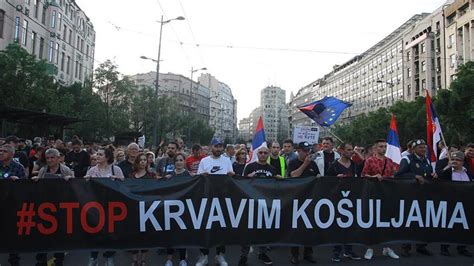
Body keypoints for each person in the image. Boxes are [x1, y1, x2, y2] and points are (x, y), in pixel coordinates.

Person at [31, 148, 73, 266]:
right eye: (47, 158)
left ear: (58, 158)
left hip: (61, 208)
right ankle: (41, 259)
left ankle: (58, 260)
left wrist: (70, 180)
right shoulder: (43, 170)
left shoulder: (66, 170)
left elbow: (74, 188)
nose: (49, 160)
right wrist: (37, 180)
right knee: (42, 235)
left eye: (52, 158)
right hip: (45, 208)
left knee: (59, 236)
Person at [196, 138, 234, 266]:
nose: (219, 149)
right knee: (205, 227)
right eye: (216, 146)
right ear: (211, 147)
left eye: (220, 146)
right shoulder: (204, 161)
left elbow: (231, 177)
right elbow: (198, 180)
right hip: (206, 199)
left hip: (222, 199)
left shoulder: (227, 160)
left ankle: (220, 255)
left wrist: (231, 175)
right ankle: (204, 255)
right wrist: (203, 176)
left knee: (221, 227)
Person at [360, 140, 400, 260]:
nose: (383, 149)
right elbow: (363, 175)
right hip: (373, 194)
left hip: (387, 195)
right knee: (372, 222)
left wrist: (393, 176)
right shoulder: (370, 160)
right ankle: (370, 248)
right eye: (381, 147)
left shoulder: (389, 161)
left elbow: (394, 175)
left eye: (385, 147)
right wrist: (373, 177)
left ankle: (387, 248)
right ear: (375, 148)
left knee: (387, 222)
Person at [395, 139, 435, 257]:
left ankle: (421, 246)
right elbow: (399, 175)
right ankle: (405, 247)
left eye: (424, 147)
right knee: (409, 221)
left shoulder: (426, 160)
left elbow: (427, 175)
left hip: (424, 195)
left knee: (423, 221)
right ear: (414, 149)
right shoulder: (407, 159)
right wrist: (414, 176)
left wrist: (432, 175)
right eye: (420, 147)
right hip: (409, 195)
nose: (423, 149)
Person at [85, 147, 124, 266]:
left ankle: (109, 257)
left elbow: (123, 183)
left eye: (100, 154)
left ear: (107, 157)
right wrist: (86, 180)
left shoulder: (115, 169)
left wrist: (117, 180)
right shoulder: (92, 170)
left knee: (110, 232)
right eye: (97, 154)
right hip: (96, 205)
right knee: (95, 231)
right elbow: (84, 184)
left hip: (111, 205)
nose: (97, 156)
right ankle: (93, 257)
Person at [326, 142, 362, 262]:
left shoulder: (354, 164)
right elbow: (326, 181)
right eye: (348, 150)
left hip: (351, 199)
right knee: (338, 226)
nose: (351, 152)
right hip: (338, 200)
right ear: (341, 151)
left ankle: (349, 250)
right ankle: (336, 251)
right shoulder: (334, 165)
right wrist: (336, 179)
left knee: (351, 226)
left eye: (352, 149)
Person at [239, 146, 275, 266]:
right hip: (251, 203)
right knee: (247, 230)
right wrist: (247, 177)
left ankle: (262, 253)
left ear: (268, 154)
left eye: (265, 152)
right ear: (257, 154)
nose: (263, 154)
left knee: (264, 229)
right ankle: (244, 255)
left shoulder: (272, 168)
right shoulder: (250, 167)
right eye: (261, 152)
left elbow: (277, 186)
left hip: (266, 204)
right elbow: (242, 183)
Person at [287, 141, 319, 264]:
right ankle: (294, 254)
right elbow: (293, 175)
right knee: (296, 228)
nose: (307, 153)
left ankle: (308, 253)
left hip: (310, 199)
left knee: (309, 227)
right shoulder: (293, 163)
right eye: (305, 150)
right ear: (298, 151)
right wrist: (305, 165)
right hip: (296, 200)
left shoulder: (314, 164)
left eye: (308, 150)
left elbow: (317, 176)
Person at [438, 150, 473, 257]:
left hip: (465, 203)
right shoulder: (447, 172)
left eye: (457, 160)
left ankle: (462, 247)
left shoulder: (467, 172)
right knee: (448, 226)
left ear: (462, 162)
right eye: (453, 159)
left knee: (464, 226)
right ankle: (444, 248)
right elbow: (437, 178)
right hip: (450, 203)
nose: (455, 162)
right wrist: (446, 167)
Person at [1, 144, 26, 266]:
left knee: (11, 234)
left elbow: (25, 187)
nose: (1, 153)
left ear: (11, 154)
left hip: (11, 206)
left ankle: (14, 260)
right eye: (0, 150)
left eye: (4, 151)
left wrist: (18, 182)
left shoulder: (18, 168)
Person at [165, 153, 189, 266]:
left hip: (184, 209)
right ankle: (169, 259)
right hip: (171, 209)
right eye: (177, 160)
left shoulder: (189, 175)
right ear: (174, 162)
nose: (179, 162)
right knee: (170, 234)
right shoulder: (169, 176)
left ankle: (182, 259)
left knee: (182, 235)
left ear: (184, 161)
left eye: (181, 160)